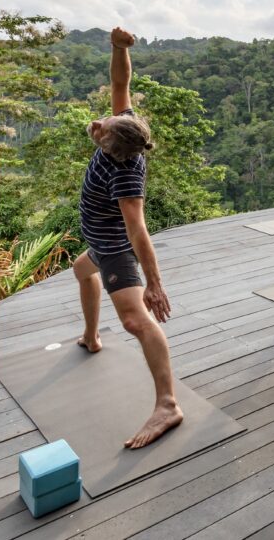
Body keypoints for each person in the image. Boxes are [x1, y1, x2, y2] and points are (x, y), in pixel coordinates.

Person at [72, 26, 183, 449]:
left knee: (137, 320)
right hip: (98, 243)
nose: (98, 123)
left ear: (114, 148)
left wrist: (154, 283)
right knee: (81, 271)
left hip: (115, 248)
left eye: (103, 130)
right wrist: (118, 47)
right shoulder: (126, 127)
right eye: (109, 120)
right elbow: (122, 82)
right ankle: (91, 337)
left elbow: (137, 230)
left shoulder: (124, 175)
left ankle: (168, 404)